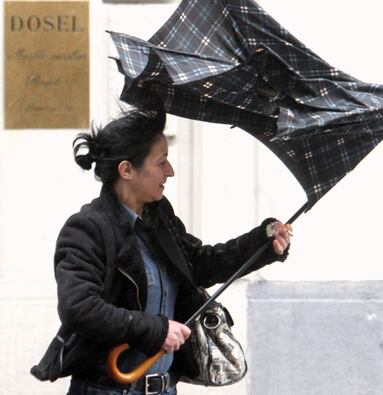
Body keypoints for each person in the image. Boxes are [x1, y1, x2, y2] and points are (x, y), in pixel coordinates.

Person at [53, 99, 291, 395]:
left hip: (165, 389)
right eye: (160, 161)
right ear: (127, 170)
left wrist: (263, 242)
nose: (170, 171)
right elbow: (80, 308)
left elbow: (199, 264)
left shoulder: (158, 215)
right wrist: (157, 329)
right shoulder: (87, 229)